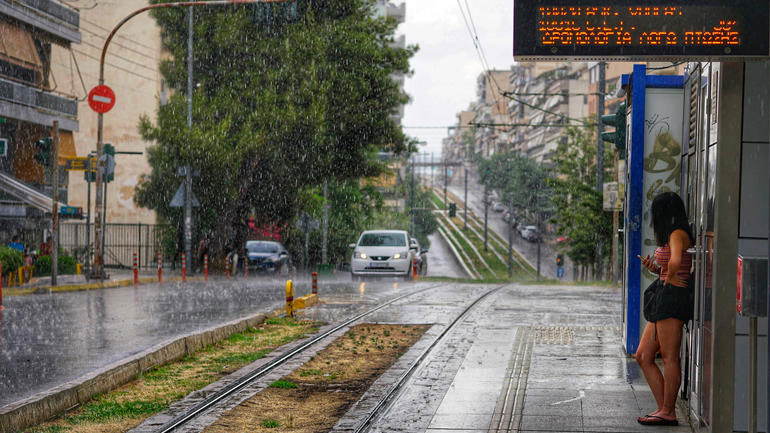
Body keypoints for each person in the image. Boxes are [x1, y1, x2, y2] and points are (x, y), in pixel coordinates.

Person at [635, 192, 694, 426]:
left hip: (672, 298)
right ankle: (664, 409)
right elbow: (670, 265)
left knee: (670, 357)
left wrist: (668, 277)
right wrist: (656, 270)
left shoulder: (678, 234)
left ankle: (668, 410)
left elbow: (677, 261)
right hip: (665, 296)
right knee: (643, 355)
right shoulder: (673, 234)